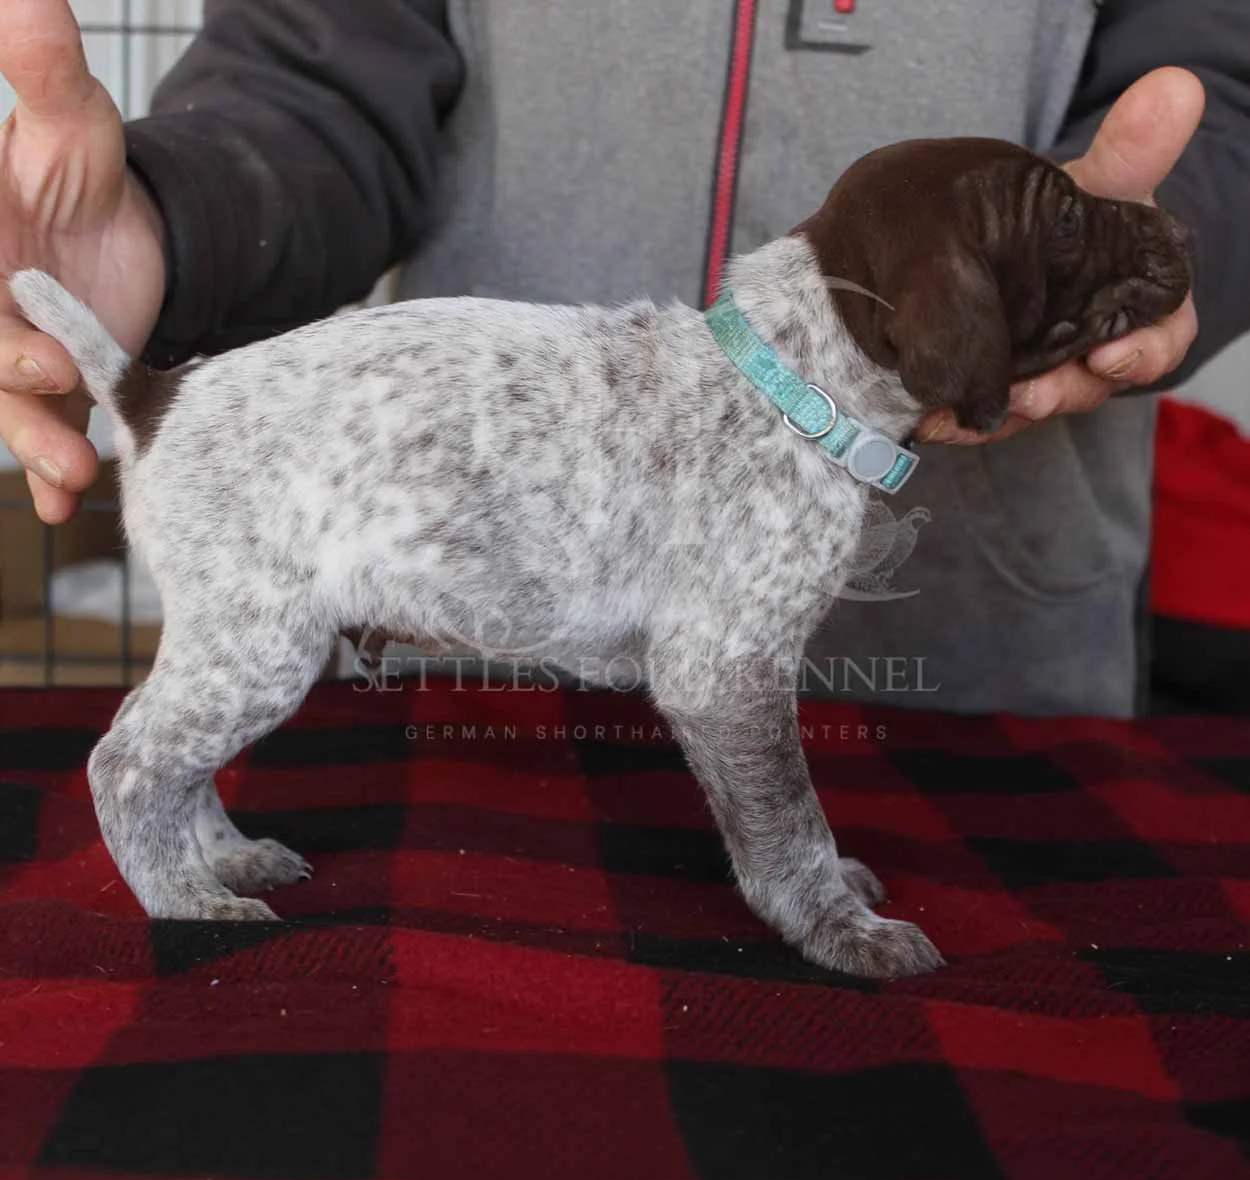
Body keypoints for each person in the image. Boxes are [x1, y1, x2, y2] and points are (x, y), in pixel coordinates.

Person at [0, 0, 1247, 716]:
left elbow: (1224, 79)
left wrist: (1131, 245)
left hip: (977, 677)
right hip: (475, 665)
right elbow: (315, 76)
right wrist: (171, 219)